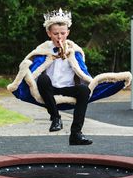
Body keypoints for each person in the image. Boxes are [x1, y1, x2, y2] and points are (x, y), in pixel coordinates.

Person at [7, 8, 132, 145]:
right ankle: (55, 118)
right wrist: (50, 59)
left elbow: (84, 74)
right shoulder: (43, 51)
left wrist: (97, 83)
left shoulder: (75, 51)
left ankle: (76, 134)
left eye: (62, 33)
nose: (59, 37)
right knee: (43, 79)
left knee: (84, 91)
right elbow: (32, 72)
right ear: (49, 33)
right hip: (49, 90)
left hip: (68, 89)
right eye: (55, 34)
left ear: (68, 33)